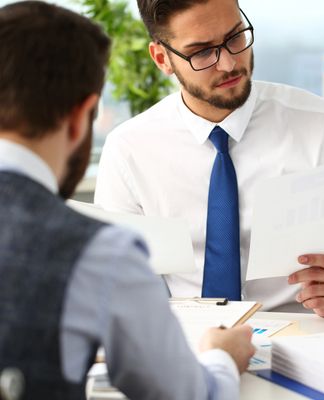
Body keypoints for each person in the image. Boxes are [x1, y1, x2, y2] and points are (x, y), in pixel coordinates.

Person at [0, 2, 255, 400]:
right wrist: (222, 356)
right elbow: (188, 395)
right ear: (83, 114)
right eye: (202, 50)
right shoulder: (99, 252)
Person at [95, 0, 324, 318]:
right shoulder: (129, 149)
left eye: (235, 37)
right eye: (201, 52)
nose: (228, 64)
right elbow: (113, 280)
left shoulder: (323, 126)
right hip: (188, 341)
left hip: (305, 337)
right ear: (163, 59)